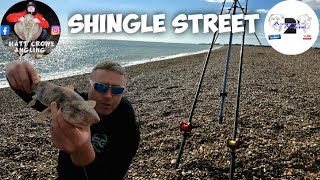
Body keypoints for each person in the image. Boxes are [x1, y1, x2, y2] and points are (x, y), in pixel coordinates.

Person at [5, 60, 140, 179]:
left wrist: (82, 150)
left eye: (117, 91)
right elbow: (36, 94)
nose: (108, 96)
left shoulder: (125, 120)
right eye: (100, 87)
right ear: (88, 86)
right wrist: (15, 73)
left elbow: (114, 173)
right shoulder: (72, 101)